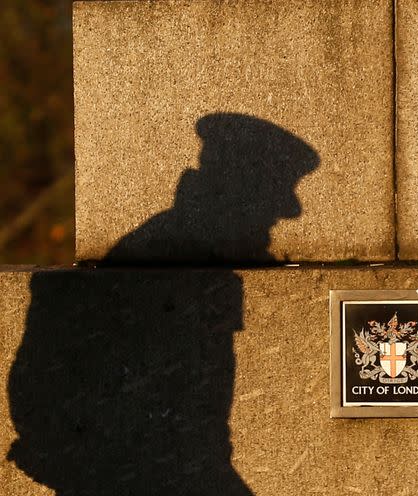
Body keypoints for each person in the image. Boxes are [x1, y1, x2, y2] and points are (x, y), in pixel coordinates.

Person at [7, 113, 318, 494]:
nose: (285, 213)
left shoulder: (195, 256)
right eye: (272, 198)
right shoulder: (160, 261)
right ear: (236, 189)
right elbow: (157, 428)